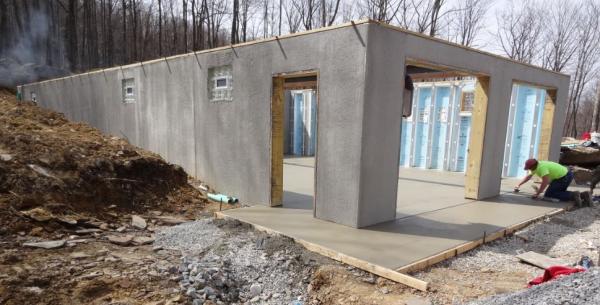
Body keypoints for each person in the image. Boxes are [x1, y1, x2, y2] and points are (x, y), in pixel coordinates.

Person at [514, 158, 591, 207]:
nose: (529, 169)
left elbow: (545, 182)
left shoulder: (541, 168)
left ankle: (573, 195)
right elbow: (528, 176)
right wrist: (518, 185)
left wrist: (538, 194)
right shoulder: (536, 166)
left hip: (564, 177)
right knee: (558, 192)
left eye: (529, 168)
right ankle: (583, 195)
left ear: (533, 166)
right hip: (564, 175)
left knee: (550, 194)